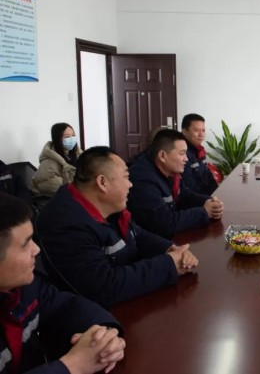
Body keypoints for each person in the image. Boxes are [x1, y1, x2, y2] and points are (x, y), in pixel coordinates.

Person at [36, 146, 199, 307]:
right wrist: (169, 264)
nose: (130, 184)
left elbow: (137, 234)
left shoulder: (109, 206)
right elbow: (105, 287)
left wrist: (170, 249)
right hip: (97, 316)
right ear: (102, 183)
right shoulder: (64, 224)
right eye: (126, 177)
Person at [0, 193, 126, 374]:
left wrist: (104, 334)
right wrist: (72, 366)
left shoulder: (22, 287)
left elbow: (65, 305)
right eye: (26, 244)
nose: (36, 250)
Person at [127, 129, 224, 238]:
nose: (186, 159)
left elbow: (184, 194)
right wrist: (204, 212)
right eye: (182, 154)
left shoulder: (169, 169)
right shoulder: (142, 179)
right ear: (162, 156)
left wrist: (209, 202)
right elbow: (165, 223)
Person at [31, 123, 81, 197]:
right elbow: (59, 190)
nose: (71, 139)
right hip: (55, 200)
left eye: (73, 135)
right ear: (57, 139)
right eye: (67, 137)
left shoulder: (78, 155)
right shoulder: (48, 163)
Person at [181, 114, 220, 195]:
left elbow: (207, 174)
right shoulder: (182, 153)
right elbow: (190, 186)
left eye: (203, 130)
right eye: (197, 130)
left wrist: (217, 192)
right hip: (195, 199)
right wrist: (209, 198)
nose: (201, 134)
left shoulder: (199, 149)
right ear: (185, 132)